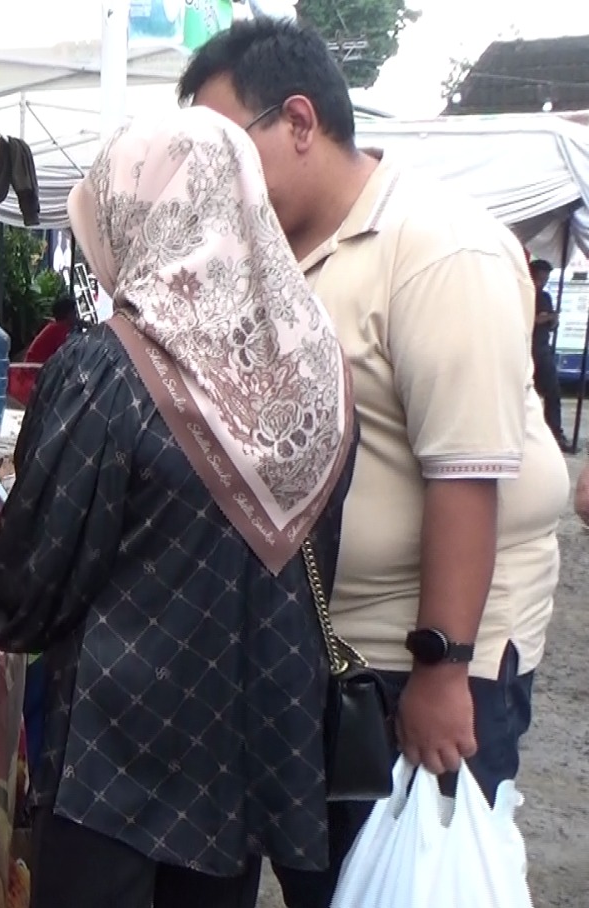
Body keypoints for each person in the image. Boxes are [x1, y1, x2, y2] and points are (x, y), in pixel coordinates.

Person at [180, 19, 568, 907]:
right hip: (321, 651)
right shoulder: (277, 261)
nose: (211, 182)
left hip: (415, 660)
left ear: (301, 122)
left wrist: (441, 669)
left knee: (406, 877)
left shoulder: (435, 248)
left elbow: (465, 474)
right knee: (339, 881)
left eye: (224, 149)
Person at [0, 107, 356, 908]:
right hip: (244, 760)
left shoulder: (109, 370)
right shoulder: (316, 366)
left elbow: (32, 579)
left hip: (115, 769)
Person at [530, 258, 570, 450]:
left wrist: (553, 319)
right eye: (540, 277)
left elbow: (551, 324)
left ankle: (555, 432)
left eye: (546, 278)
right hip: (528, 351)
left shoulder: (545, 296)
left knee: (553, 393)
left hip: (543, 350)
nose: (543, 281)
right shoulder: (525, 294)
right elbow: (528, 320)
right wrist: (543, 318)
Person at [21, 291, 80, 365]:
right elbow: (67, 355)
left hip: (36, 368)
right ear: (68, 314)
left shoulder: (55, 327)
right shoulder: (59, 330)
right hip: (36, 370)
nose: (76, 316)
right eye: (74, 313)